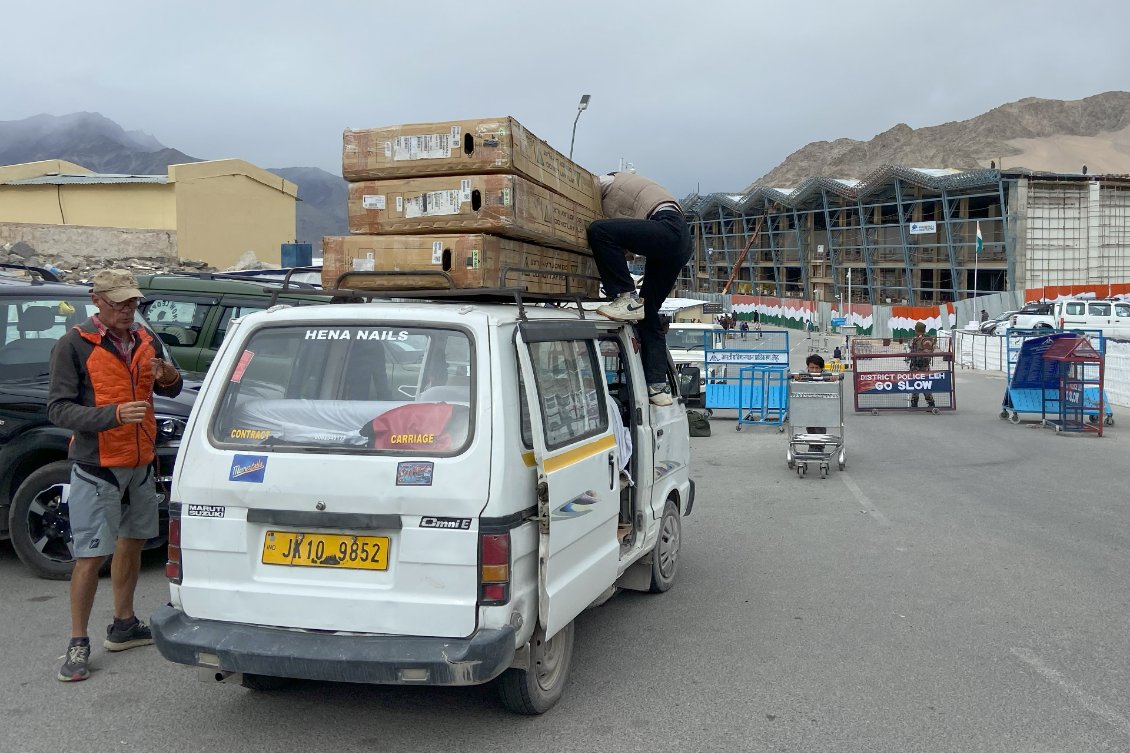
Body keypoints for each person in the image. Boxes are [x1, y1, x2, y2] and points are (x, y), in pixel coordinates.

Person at [48, 269, 184, 682]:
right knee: (91, 555)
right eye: (120, 303)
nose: (129, 310)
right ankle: (77, 641)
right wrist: (112, 416)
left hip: (141, 462)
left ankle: (123, 624)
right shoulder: (73, 344)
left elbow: (172, 391)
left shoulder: (145, 340)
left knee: (134, 541)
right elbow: (58, 409)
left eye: (133, 303)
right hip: (97, 465)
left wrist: (168, 377)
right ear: (97, 301)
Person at [588, 171, 693, 407]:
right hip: (680, 241)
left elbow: (591, 186)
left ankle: (626, 297)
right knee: (648, 312)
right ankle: (657, 386)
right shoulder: (637, 184)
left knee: (599, 231)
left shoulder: (608, 182)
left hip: (668, 228)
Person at [908, 321, 936, 409]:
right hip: (915, 366)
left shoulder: (926, 339)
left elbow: (927, 354)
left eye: (916, 329)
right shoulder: (916, 339)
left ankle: (931, 403)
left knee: (924, 384)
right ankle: (914, 403)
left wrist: (920, 359)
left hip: (923, 366)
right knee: (915, 384)